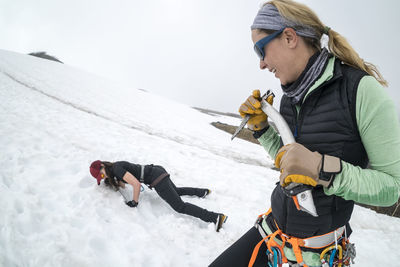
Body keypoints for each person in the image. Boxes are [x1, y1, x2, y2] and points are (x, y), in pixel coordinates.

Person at [210, 0, 400, 266]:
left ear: (289, 37)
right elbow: (292, 162)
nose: (262, 64)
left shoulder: (360, 90)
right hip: (273, 233)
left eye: (260, 50)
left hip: (320, 254)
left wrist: (322, 169)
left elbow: (392, 188)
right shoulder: (290, 98)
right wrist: (262, 129)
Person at [89, 160, 227, 232]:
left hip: (156, 178)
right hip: (157, 170)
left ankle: (215, 217)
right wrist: (112, 181)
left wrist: (134, 202)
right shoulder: (115, 169)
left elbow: (136, 184)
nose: (104, 176)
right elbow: (126, 184)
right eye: (101, 177)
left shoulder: (117, 169)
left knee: (179, 206)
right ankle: (202, 192)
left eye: (102, 174)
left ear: (102, 165)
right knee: (176, 191)